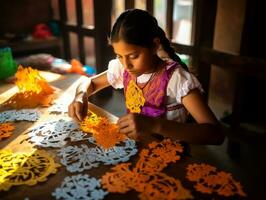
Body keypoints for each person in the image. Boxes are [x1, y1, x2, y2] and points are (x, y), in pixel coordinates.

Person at [68, 9, 224, 145]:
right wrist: (81, 96)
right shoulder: (123, 68)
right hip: (136, 148)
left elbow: (215, 134)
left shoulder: (176, 79)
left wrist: (155, 125)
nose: (126, 65)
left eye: (133, 56)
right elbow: (91, 83)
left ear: (155, 46)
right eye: (119, 56)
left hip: (172, 157)